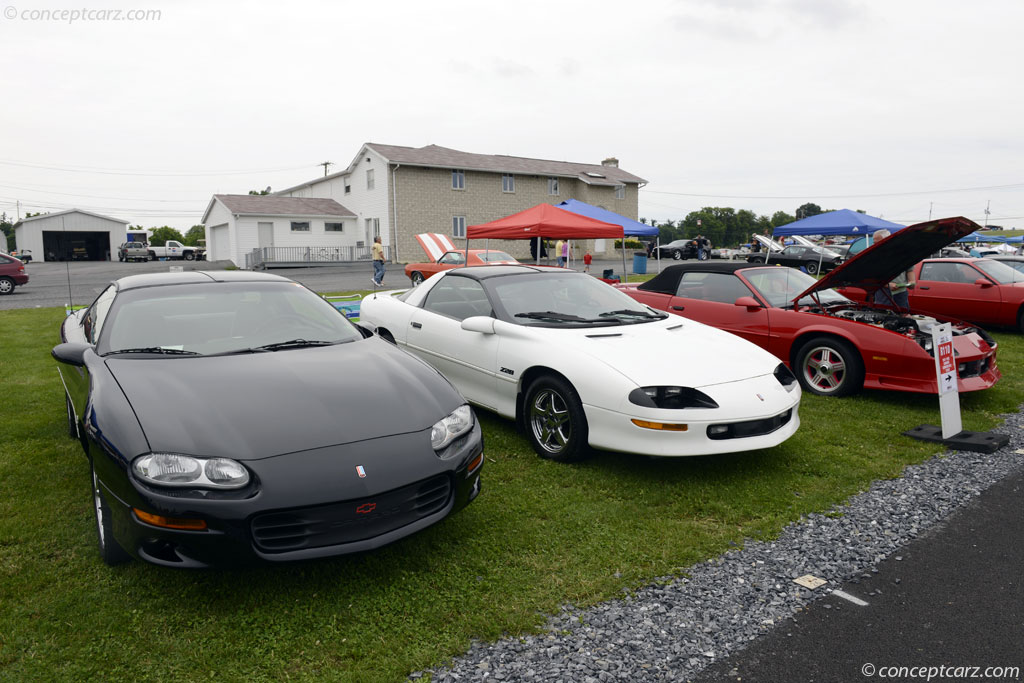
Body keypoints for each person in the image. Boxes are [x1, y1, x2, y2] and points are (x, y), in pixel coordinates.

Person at [871, 229, 914, 310]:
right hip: (883, 293)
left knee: (903, 315)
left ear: (888, 240)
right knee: (884, 316)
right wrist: (887, 285)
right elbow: (872, 276)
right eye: (874, 242)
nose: (874, 245)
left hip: (901, 292)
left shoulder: (901, 253)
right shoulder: (873, 256)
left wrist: (911, 281)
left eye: (877, 242)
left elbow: (909, 269)